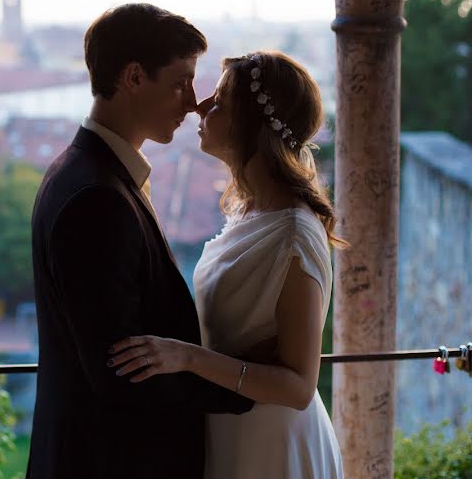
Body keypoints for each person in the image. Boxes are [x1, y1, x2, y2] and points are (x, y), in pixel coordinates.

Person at [26, 3, 253, 479]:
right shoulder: (96, 199)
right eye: (180, 81)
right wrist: (244, 384)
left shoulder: (84, 172)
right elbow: (122, 373)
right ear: (132, 77)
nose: (192, 101)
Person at [109, 51, 345, 479]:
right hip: (229, 428)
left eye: (218, 102)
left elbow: (298, 386)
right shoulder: (250, 211)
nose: (200, 106)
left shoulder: (295, 234)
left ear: (250, 124)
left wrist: (188, 358)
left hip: (274, 445)